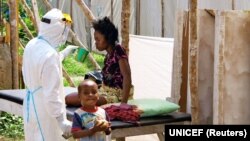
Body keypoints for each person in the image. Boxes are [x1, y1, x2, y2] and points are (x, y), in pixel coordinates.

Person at [22, 8, 78, 141]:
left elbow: (41, 63)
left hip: (31, 104)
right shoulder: (50, 55)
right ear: (57, 29)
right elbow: (51, 93)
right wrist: (61, 120)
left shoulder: (32, 44)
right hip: (45, 111)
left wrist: (64, 53)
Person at [65, 16, 133, 106]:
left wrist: (123, 103)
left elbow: (127, 76)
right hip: (104, 91)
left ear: (108, 38)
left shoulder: (118, 51)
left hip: (117, 95)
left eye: (98, 39)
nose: (96, 42)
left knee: (81, 100)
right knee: (69, 98)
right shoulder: (108, 54)